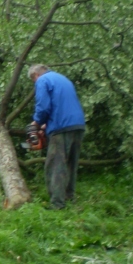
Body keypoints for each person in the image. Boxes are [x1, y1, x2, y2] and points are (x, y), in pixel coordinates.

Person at [28, 64, 86, 209]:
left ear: (35, 75)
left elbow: (43, 107)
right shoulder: (63, 79)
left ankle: (57, 204)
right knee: (71, 163)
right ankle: (68, 196)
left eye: (33, 81)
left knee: (55, 164)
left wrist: (36, 123)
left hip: (61, 126)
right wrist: (46, 125)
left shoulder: (43, 80)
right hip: (77, 124)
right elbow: (61, 106)